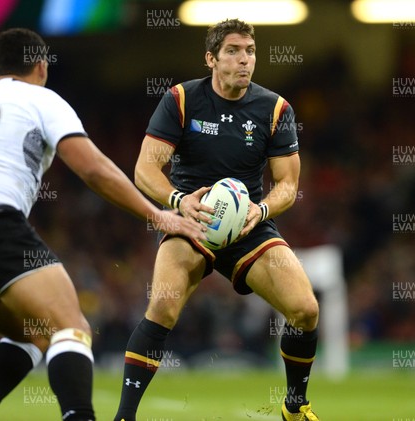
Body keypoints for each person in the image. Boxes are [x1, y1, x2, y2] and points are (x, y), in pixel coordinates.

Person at [0, 28, 205, 421]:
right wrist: (158, 215)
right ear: (41, 66)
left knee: (34, 332)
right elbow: (92, 168)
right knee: (71, 328)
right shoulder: (41, 99)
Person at [114, 19, 320, 421]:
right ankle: (124, 416)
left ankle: (295, 408)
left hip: (248, 226)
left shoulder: (275, 109)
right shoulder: (181, 100)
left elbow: (287, 184)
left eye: (250, 51)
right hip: (192, 219)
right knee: (163, 306)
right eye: (233, 51)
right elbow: (145, 170)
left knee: (305, 309)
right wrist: (178, 201)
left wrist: (261, 210)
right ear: (211, 58)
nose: (244, 60)